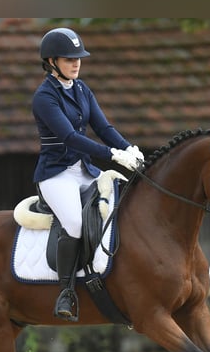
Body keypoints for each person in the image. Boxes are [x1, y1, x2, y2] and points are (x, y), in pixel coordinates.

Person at [32, 27, 144, 321]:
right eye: (70, 59)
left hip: (84, 170)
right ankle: (66, 292)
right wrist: (111, 155)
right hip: (56, 175)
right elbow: (69, 137)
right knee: (75, 222)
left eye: (79, 58)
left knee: (118, 208)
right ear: (52, 61)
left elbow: (104, 128)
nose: (77, 63)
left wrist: (128, 147)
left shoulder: (82, 89)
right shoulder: (44, 97)